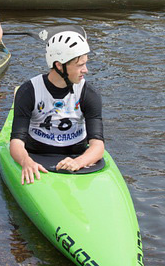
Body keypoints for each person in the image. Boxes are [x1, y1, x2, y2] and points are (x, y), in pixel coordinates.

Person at [8, 27, 104, 185]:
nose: (85, 70)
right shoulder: (28, 91)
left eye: (85, 64)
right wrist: (25, 161)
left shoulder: (89, 94)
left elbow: (98, 145)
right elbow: (16, 142)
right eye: (80, 65)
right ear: (59, 65)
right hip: (36, 154)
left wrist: (79, 162)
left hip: (76, 156)